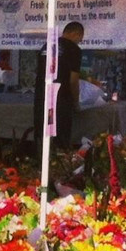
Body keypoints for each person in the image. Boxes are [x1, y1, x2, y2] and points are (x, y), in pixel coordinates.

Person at [33, 21, 85, 153]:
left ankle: (40, 165)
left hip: (41, 97)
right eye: (80, 38)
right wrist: (76, 103)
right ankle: (59, 167)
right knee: (60, 138)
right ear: (76, 33)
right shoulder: (74, 49)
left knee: (42, 136)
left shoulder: (46, 46)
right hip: (61, 99)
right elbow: (73, 81)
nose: (79, 41)